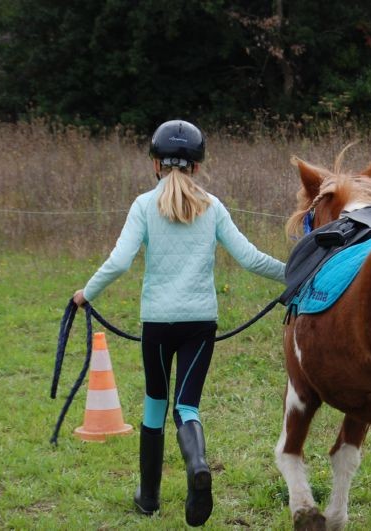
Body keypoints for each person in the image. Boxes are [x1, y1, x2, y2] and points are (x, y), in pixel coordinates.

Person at [72, 119, 285, 527]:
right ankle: (198, 464)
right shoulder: (213, 206)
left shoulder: (142, 206)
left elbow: (119, 262)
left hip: (157, 324)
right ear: (197, 167)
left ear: (155, 164)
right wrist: (295, 274)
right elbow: (250, 258)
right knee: (187, 405)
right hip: (200, 323)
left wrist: (87, 293)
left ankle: (148, 498)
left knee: (155, 403)